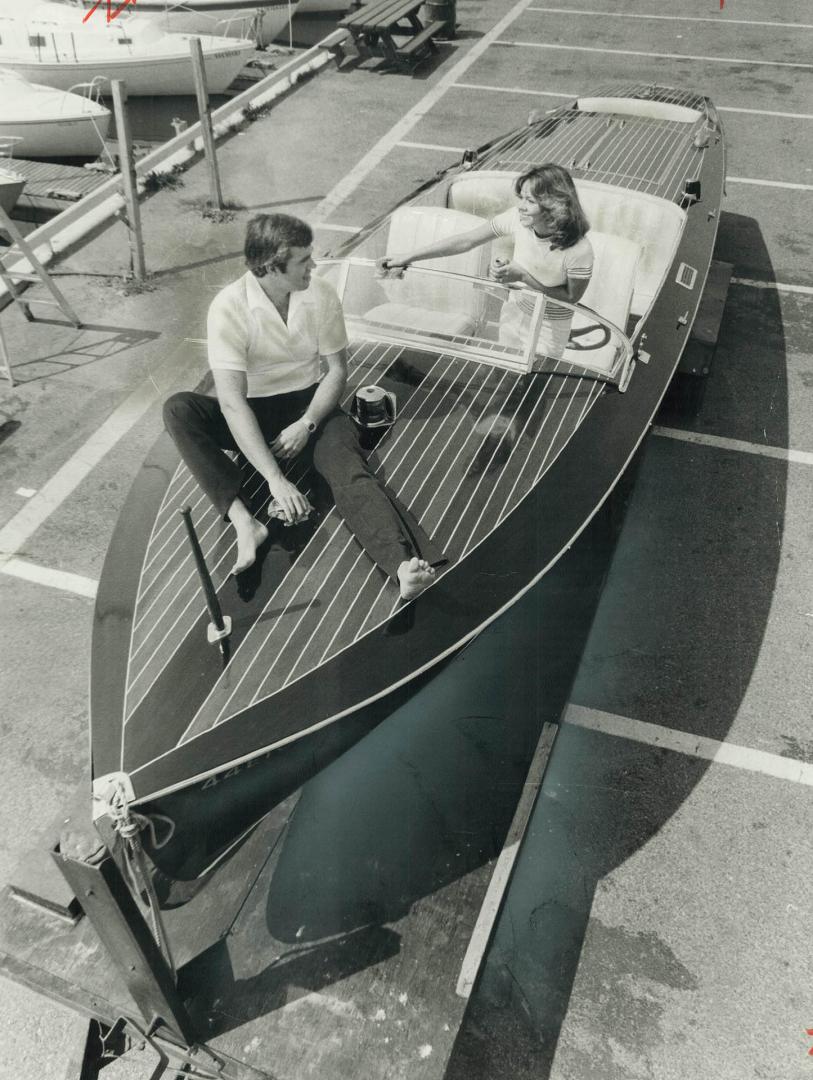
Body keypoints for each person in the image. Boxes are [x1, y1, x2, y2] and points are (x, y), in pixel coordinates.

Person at [163, 213, 445, 600]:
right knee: (179, 409)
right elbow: (230, 402)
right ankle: (244, 522)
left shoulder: (321, 294)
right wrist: (275, 480)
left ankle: (401, 566)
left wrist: (308, 423)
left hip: (311, 403)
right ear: (269, 267)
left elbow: (337, 371)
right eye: (303, 261)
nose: (314, 266)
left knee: (350, 473)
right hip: (252, 409)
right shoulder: (228, 307)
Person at [378, 164, 593, 360]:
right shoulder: (517, 220)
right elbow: (466, 240)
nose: (520, 206)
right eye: (521, 198)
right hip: (513, 312)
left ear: (553, 205)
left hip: (550, 328)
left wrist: (523, 277)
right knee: (502, 378)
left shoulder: (579, 250)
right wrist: (406, 257)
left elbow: (571, 297)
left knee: (533, 391)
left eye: (530, 201)